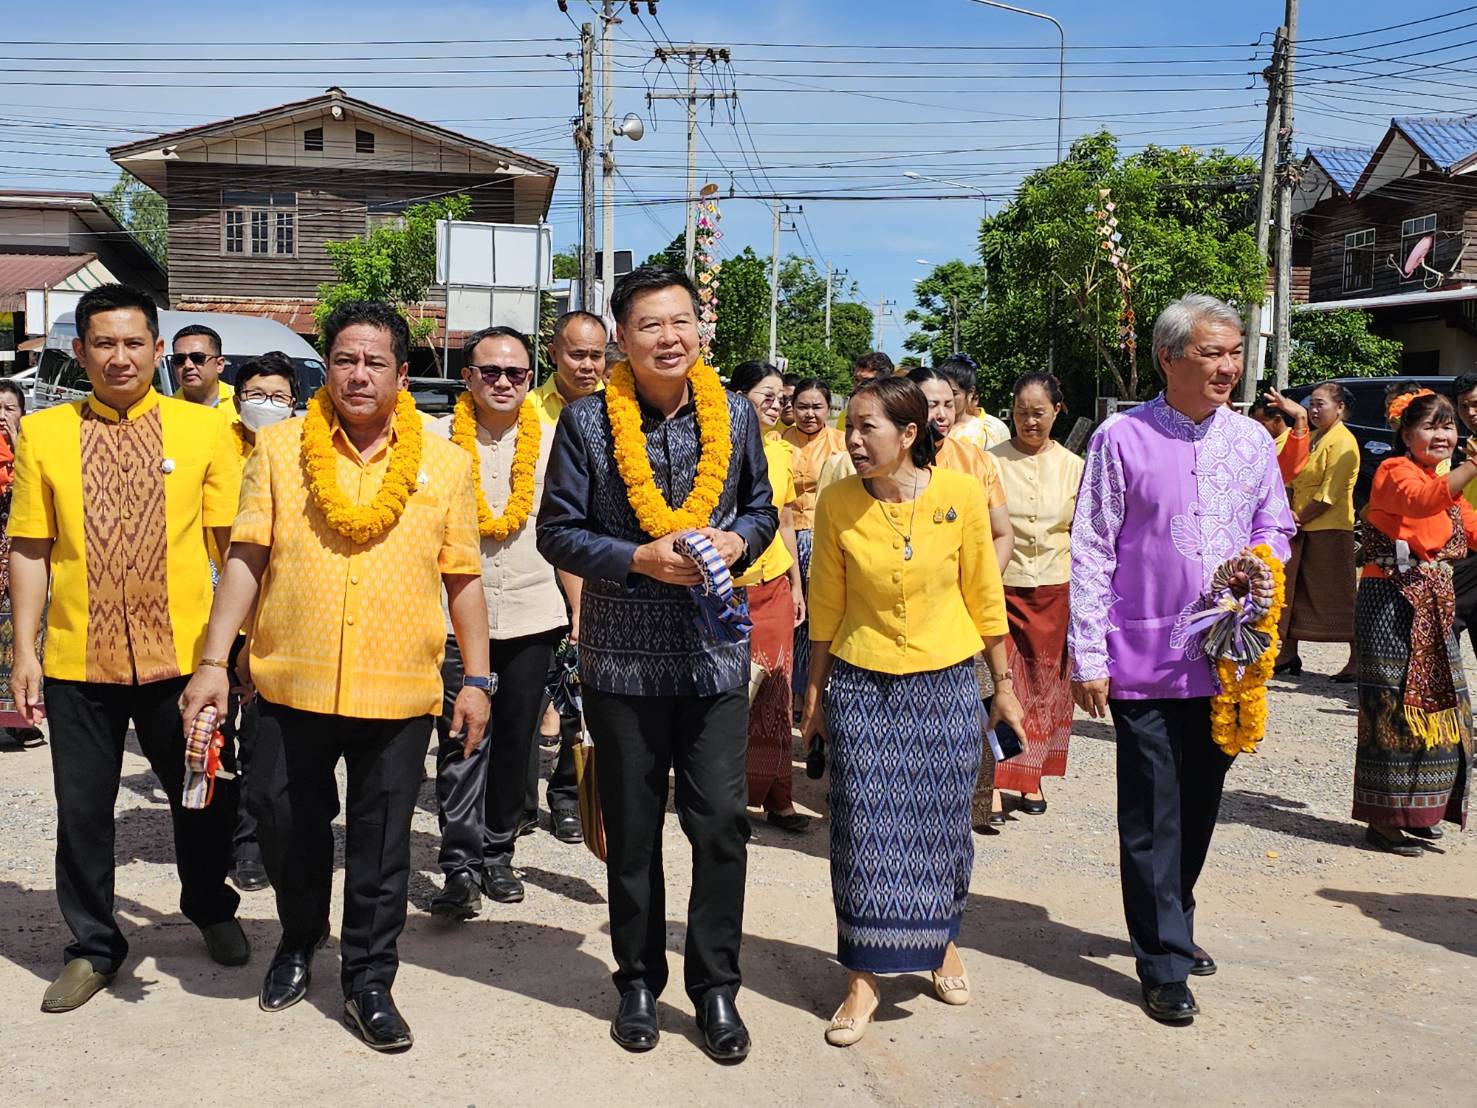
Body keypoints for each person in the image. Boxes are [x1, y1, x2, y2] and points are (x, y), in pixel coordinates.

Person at [179, 301, 490, 1053]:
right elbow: (247, 557)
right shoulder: (280, 449)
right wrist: (215, 661)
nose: (358, 374)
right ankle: (297, 940)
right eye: (345, 359)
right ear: (329, 367)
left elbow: (464, 579)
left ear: (401, 373)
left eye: (374, 361)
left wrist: (477, 679)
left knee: (383, 843)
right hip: (289, 682)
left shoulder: (444, 462)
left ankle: (368, 978)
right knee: (285, 826)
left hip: (397, 688)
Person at [537, 265, 777, 1062]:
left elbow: (761, 508)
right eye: (650, 325)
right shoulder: (586, 424)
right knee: (632, 831)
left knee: (718, 828)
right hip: (621, 666)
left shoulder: (737, 417)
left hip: (713, 659)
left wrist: (740, 540)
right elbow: (557, 533)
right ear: (621, 338)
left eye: (681, 323)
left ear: (697, 332)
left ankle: (715, 991)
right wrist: (637, 558)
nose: (669, 338)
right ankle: (637, 981)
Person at [10, 283, 248, 1014]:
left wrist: (232, 651)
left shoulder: (204, 431)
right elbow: (29, 548)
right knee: (81, 808)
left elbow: (229, 547)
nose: (120, 357)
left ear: (158, 351)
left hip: (183, 660)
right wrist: (23, 650)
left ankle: (210, 905)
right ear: (80, 352)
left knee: (204, 794)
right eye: (103, 344)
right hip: (79, 659)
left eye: (134, 343)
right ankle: (92, 946)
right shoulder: (43, 434)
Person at [1069, 294, 1294, 1024]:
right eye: (1212, 353)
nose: (1228, 367)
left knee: (1197, 805)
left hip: (1225, 658)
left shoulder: (1252, 442)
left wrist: (1261, 561)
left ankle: (1173, 914)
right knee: (1150, 811)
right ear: (1169, 358)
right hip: (1140, 655)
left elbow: (1275, 521)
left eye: (1233, 353)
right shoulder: (1120, 437)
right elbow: (1093, 547)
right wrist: (1086, 653)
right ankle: (1162, 959)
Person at [798, 377, 1023, 1047]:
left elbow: (984, 594)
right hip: (862, 684)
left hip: (948, 682)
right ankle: (862, 979)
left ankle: (941, 945)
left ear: (906, 434)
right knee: (861, 829)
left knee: (941, 824)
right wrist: (813, 698)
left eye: (867, 427)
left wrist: (1002, 684)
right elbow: (826, 609)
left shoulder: (958, 494)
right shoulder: (837, 501)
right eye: (849, 425)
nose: (852, 439)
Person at [426, 325, 573, 917]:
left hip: (534, 610)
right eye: (491, 371)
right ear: (468, 377)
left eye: (516, 372)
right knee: (462, 738)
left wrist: (581, 616)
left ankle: (498, 853)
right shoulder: (432, 441)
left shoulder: (560, 441)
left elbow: (570, 537)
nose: (505, 381)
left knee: (516, 742)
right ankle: (459, 867)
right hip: (452, 615)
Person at [1354, 390, 1477, 856]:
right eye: (1431, 426)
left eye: (1448, 426)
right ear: (1406, 434)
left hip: (1431, 601)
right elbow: (1423, 502)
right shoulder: (1395, 472)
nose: (1442, 434)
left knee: (1442, 705)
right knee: (1393, 707)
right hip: (1388, 600)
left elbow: (1470, 528)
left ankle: (1422, 813)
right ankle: (1384, 822)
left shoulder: (1443, 481)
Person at [216, 352, 300, 894]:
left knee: (261, 746)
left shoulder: (300, 454)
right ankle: (214, 839)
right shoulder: (211, 446)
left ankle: (250, 845)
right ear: (237, 395)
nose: (265, 405)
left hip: (273, 621)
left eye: (278, 397)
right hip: (216, 617)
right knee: (213, 739)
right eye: (256, 395)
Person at [988, 372, 1084, 816]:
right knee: (1000, 681)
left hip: (1052, 586)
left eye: (1038, 413)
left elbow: (1085, 534)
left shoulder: (1075, 467)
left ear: (1056, 411)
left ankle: (1032, 779)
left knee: (1045, 687)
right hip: (1000, 587)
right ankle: (993, 776)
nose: (1029, 421)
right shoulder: (990, 462)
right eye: (1022, 412)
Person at [728, 361, 808, 832]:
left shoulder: (781, 454)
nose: (778, 405)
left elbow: (785, 522)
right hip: (723, 593)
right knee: (731, 696)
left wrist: (797, 585)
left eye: (782, 398)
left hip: (772, 584)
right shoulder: (712, 446)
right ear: (739, 397)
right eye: (768, 396)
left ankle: (779, 797)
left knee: (776, 692)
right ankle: (729, 797)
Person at [1274, 382, 1360, 681]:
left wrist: (1298, 517)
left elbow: (1329, 494)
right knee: (1293, 590)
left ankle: (1357, 658)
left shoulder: (1344, 442)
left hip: (1329, 528)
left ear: (1340, 408)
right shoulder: (1314, 438)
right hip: (1301, 525)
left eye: (1320, 403)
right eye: (1311, 403)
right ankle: (1286, 652)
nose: (1313, 409)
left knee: (1339, 594)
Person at [783, 378, 847, 713]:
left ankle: (814, 690)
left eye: (816, 407)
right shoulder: (779, 442)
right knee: (793, 616)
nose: (809, 414)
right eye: (802, 407)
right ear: (791, 408)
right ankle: (790, 690)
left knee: (820, 617)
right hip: (787, 539)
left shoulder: (842, 443)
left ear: (828, 409)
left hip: (824, 538)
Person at [0, 379, 42, 749]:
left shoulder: (31, 454)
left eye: (9, 409)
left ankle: (19, 719)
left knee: (17, 637)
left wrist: (19, 446)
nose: (1, 417)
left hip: (19, 562)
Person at [534, 310, 607, 426]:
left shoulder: (625, 406)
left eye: (596, 356)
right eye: (577, 355)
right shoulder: (527, 406)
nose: (587, 366)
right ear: (553, 354)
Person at [1450, 374, 1477, 656]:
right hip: (1467, 540)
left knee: (1448, 612)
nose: (1470, 413)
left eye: (1475, 404)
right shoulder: (1468, 442)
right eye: (1463, 406)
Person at [938, 355, 1009, 450]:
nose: (946, 399)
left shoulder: (990, 430)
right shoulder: (930, 426)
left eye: (953, 393)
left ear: (971, 392)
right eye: (941, 392)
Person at [172, 323, 235, 410]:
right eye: (179, 359)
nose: (187, 365)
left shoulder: (243, 401)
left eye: (197, 357)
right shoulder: (163, 410)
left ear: (219, 364)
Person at [835, 352, 894, 432]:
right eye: (856, 380)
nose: (859, 386)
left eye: (866, 381)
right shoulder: (845, 415)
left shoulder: (895, 416)